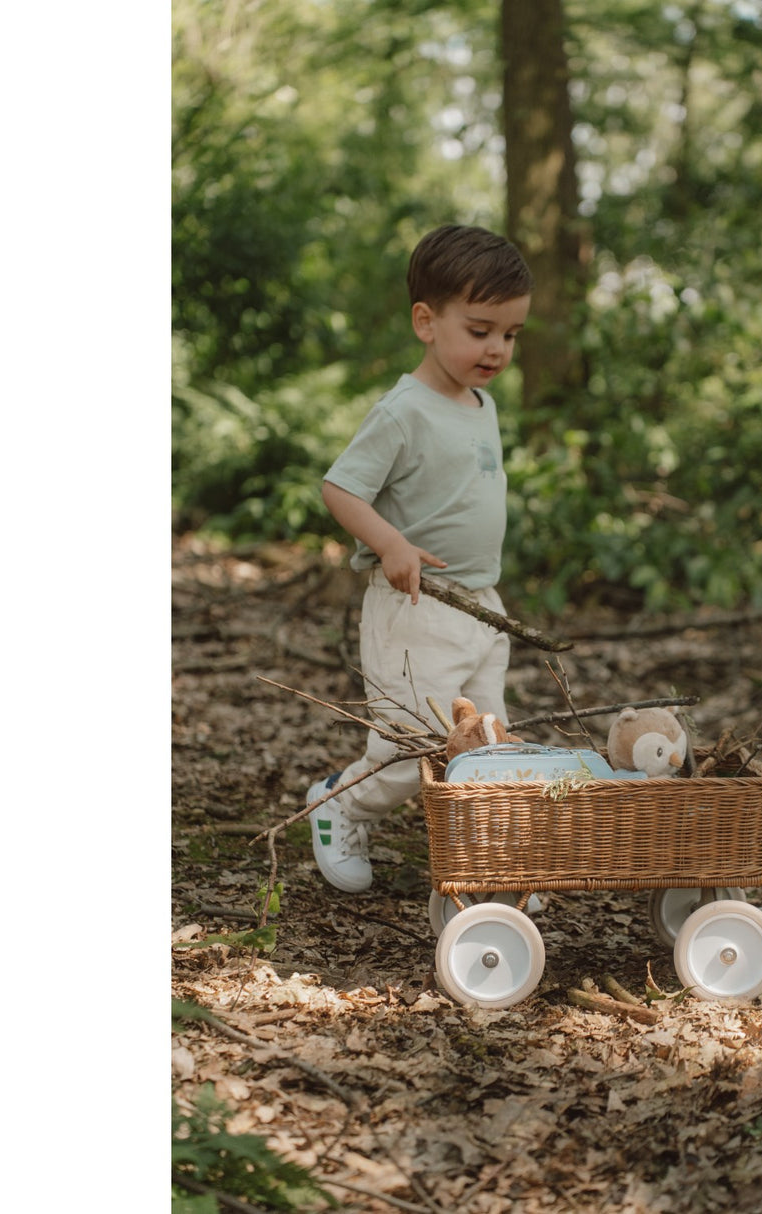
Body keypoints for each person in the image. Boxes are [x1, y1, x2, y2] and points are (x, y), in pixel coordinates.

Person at [307, 224, 533, 892]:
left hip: (481, 606)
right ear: (426, 321)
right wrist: (391, 542)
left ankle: (485, 857)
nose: (497, 348)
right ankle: (340, 803)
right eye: (481, 329)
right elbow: (339, 486)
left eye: (511, 335)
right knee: (413, 746)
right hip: (416, 606)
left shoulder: (481, 403)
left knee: (485, 743)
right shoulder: (403, 411)